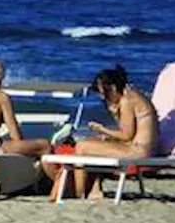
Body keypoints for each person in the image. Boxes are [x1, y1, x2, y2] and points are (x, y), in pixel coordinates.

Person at [57, 64, 159, 200]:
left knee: (82, 147)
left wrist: (102, 129)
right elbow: (129, 133)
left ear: (113, 88)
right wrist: (114, 120)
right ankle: (94, 189)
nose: (103, 98)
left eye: (104, 94)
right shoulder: (133, 96)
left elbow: (126, 135)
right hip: (141, 148)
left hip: (138, 151)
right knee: (92, 143)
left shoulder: (127, 101)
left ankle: (79, 194)